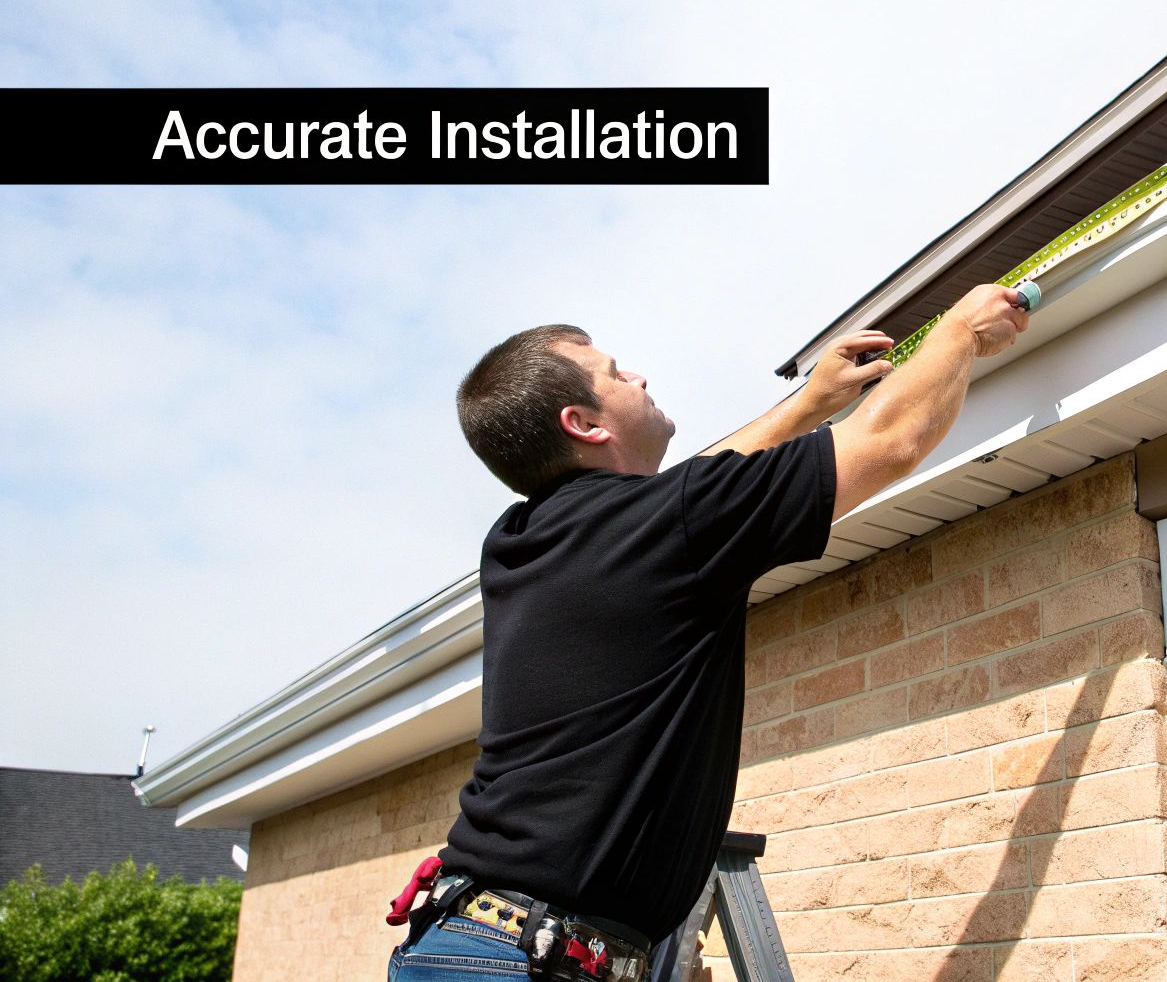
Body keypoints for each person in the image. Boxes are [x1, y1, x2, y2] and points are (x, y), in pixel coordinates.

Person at [386, 284, 1030, 981]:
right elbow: (890, 441)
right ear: (584, 422)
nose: (638, 377)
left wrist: (809, 405)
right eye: (614, 373)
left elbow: (693, 495)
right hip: (523, 962)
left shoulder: (521, 537)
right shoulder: (665, 524)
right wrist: (963, 330)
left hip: (476, 941)